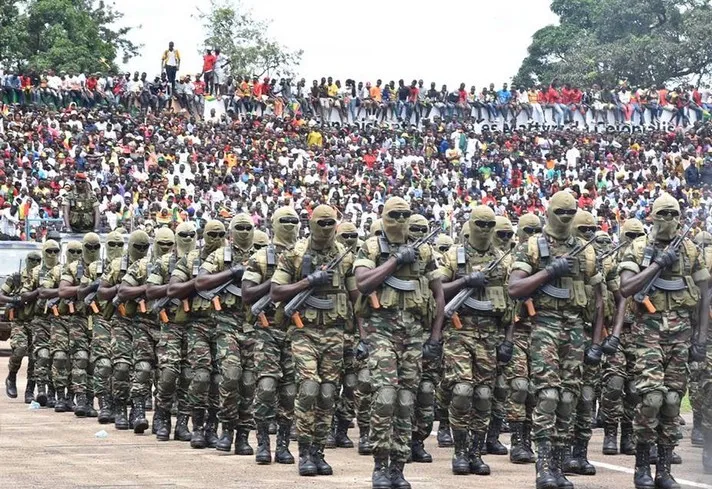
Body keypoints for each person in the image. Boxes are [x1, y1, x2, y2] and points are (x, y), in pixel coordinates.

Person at [507, 190, 602, 489]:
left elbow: (599, 299)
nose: (565, 218)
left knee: (568, 399)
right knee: (547, 396)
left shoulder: (586, 250)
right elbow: (514, 288)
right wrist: (548, 272)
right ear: (549, 212)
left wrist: (596, 340)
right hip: (545, 325)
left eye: (571, 212)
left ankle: (559, 467)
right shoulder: (533, 246)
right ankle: (544, 468)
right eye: (561, 212)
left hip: (574, 327)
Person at [618, 193, 709, 489]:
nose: (669, 219)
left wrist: (699, 336)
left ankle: (665, 468)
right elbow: (626, 288)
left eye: (674, 213)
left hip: (680, 334)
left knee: (671, 402)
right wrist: (657, 265)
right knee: (651, 398)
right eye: (664, 213)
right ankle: (643, 465)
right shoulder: (638, 248)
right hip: (648, 333)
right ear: (652, 216)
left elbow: (704, 294)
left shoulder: (691, 250)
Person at [353, 196, 444, 489]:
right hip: (381, 331)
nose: (400, 220)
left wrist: (435, 336)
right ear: (383, 217)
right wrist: (394, 261)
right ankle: (380, 466)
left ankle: (398, 467)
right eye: (394, 215)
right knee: (385, 397)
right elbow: (363, 284)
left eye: (405, 215)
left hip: (414, 334)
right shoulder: (370, 247)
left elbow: (438, 294)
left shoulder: (425, 250)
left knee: (406, 402)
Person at [270, 204, 356, 477]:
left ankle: (319, 451)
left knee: (328, 394)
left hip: (335, 332)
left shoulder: (345, 257)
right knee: (308, 389)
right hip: (304, 331)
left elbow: (355, 297)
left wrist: (362, 334)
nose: (327, 228)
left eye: (331, 222)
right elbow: (276, 292)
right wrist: (307, 283)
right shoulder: (294, 254)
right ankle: (305, 452)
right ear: (310, 223)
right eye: (321, 222)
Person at [437, 205, 513, 476]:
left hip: (490, 336)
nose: (484, 230)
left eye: (489, 225)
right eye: (479, 224)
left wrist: (508, 340)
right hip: (459, 333)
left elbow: (510, 304)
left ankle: (476, 453)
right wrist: (465, 281)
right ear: (470, 225)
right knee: (462, 392)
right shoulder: (452, 257)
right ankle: (459, 452)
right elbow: (438, 291)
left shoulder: (503, 261)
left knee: (483, 396)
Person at [194, 214, 257, 454]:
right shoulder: (220, 256)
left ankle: (243, 434)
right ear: (231, 232)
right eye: (239, 227)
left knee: (250, 382)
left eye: (247, 227)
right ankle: (227, 427)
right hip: (226, 322)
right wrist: (232, 273)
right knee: (230, 376)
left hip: (253, 324)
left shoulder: (263, 256)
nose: (243, 231)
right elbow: (201, 282)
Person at [242, 207, 300, 464]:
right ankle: (263, 443)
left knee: (289, 392)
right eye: (284, 221)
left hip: (295, 329)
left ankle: (284, 445)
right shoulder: (260, 258)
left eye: (294, 221)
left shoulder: (303, 255)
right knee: (266, 388)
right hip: (266, 329)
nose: (289, 225)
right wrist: (276, 283)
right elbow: (247, 294)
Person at [116, 228, 176, 434]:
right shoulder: (143, 266)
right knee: (142, 369)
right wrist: (149, 289)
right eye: (162, 244)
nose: (166, 248)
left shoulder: (178, 267)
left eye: (170, 244)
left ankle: (161, 416)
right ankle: (139, 410)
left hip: (170, 327)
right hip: (144, 324)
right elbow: (123, 291)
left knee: (167, 375)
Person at [599, 219, 646, 457]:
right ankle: (610, 432)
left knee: (635, 388)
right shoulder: (611, 264)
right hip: (615, 332)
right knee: (614, 385)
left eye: (639, 235)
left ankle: (628, 434)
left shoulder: (645, 264)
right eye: (630, 234)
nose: (634, 239)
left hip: (640, 333)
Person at [97, 230, 150, 430]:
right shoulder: (118, 265)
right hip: (122, 321)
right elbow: (102, 292)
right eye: (138, 247)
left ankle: (138, 410)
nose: (142, 251)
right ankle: (119, 408)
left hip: (146, 322)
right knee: (121, 367)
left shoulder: (151, 266)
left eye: (145, 247)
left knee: (143, 369)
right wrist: (119, 289)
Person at [149, 222, 196, 442]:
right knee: (168, 373)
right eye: (183, 235)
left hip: (195, 325)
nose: (187, 238)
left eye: (191, 235)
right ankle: (162, 417)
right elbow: (150, 290)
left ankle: (183, 422)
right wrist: (172, 288)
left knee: (188, 375)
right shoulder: (164, 262)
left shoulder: (201, 261)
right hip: (170, 325)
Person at [503, 212, 542, 464]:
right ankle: (518, 442)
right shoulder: (510, 261)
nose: (531, 236)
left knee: (537, 391)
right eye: (526, 231)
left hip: (541, 330)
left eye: (535, 230)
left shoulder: (547, 258)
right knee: (519, 386)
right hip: (516, 329)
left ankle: (531, 439)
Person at [80, 230, 125, 423]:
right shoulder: (94, 267)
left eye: (119, 245)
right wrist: (94, 286)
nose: (115, 249)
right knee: (103, 363)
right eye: (111, 245)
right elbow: (81, 293)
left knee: (122, 366)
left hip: (124, 320)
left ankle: (119, 404)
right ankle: (105, 404)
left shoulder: (128, 267)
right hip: (101, 318)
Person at [58, 233, 102, 417]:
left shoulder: (104, 267)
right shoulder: (73, 267)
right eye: (89, 247)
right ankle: (81, 399)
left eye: (95, 247)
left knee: (95, 362)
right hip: (78, 319)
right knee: (81, 357)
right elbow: (62, 290)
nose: (92, 250)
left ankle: (91, 400)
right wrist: (87, 288)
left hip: (99, 319)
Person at [41, 240, 82, 412]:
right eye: (71, 251)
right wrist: (65, 291)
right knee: (58, 357)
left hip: (79, 320)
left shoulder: (88, 271)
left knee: (77, 360)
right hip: (59, 319)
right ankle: (58, 394)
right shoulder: (58, 271)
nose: (74, 254)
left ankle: (71, 397)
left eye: (78, 251)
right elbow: (43, 292)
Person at [22, 239, 61, 408]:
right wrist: (38, 293)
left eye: (55, 251)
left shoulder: (63, 270)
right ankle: (41, 389)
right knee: (42, 354)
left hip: (59, 319)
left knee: (57, 357)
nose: (52, 254)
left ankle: (53, 393)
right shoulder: (36, 272)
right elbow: (24, 295)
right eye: (49, 251)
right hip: (40, 319)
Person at [2, 251, 41, 401]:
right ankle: (11, 377)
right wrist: (13, 299)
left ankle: (30, 390)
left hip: (36, 322)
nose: (34, 262)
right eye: (31, 259)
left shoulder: (42, 278)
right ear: (26, 260)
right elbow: (1, 295)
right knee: (19, 349)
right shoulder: (17, 278)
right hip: (19, 321)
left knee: (35, 357)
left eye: (37, 260)